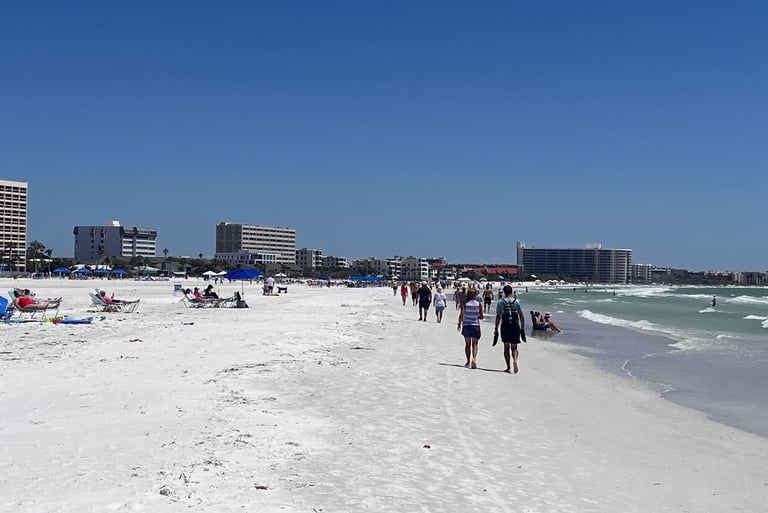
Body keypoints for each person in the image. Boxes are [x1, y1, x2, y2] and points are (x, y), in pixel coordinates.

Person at [494, 285, 526, 374]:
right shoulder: (517, 302)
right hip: (515, 325)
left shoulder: (500, 302)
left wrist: (496, 328)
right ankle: (515, 360)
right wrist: (522, 326)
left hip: (505, 326)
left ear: (504, 292)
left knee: (506, 348)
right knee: (514, 347)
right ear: (511, 292)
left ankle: (508, 367)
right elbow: (521, 315)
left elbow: (498, 316)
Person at [457, 287, 483, 369]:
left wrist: (459, 324)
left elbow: (462, 315)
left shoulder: (465, 304)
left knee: (467, 344)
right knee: (475, 344)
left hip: (467, 325)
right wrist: (476, 316)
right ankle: (474, 359)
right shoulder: (479, 304)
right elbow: (481, 317)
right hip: (475, 325)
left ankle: (468, 361)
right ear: (475, 295)